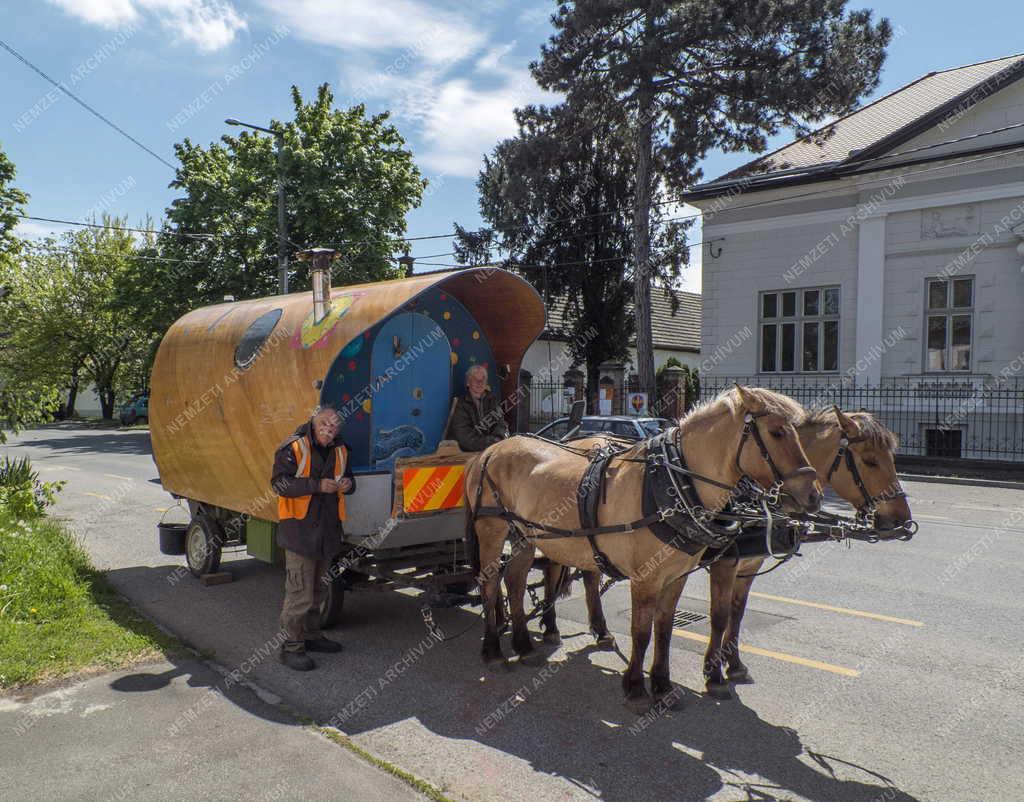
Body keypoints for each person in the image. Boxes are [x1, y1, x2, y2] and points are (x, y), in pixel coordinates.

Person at [270, 405, 355, 671]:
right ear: (313, 422)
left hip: (327, 531)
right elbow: (279, 484)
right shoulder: (293, 447)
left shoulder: (341, 449)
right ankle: (291, 647)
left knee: (318, 591)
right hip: (300, 533)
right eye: (324, 424)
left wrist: (348, 485)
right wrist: (316, 486)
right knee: (299, 594)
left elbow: (351, 480)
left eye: (333, 426)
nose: (328, 430)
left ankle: (312, 636)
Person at [449, 364, 509, 452]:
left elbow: (500, 425)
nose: (480, 383)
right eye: (475, 380)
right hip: (468, 454)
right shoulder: (460, 404)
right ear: (468, 382)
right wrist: (489, 443)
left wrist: (497, 440)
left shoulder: (493, 400)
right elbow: (463, 436)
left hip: (491, 451)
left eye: (483, 380)